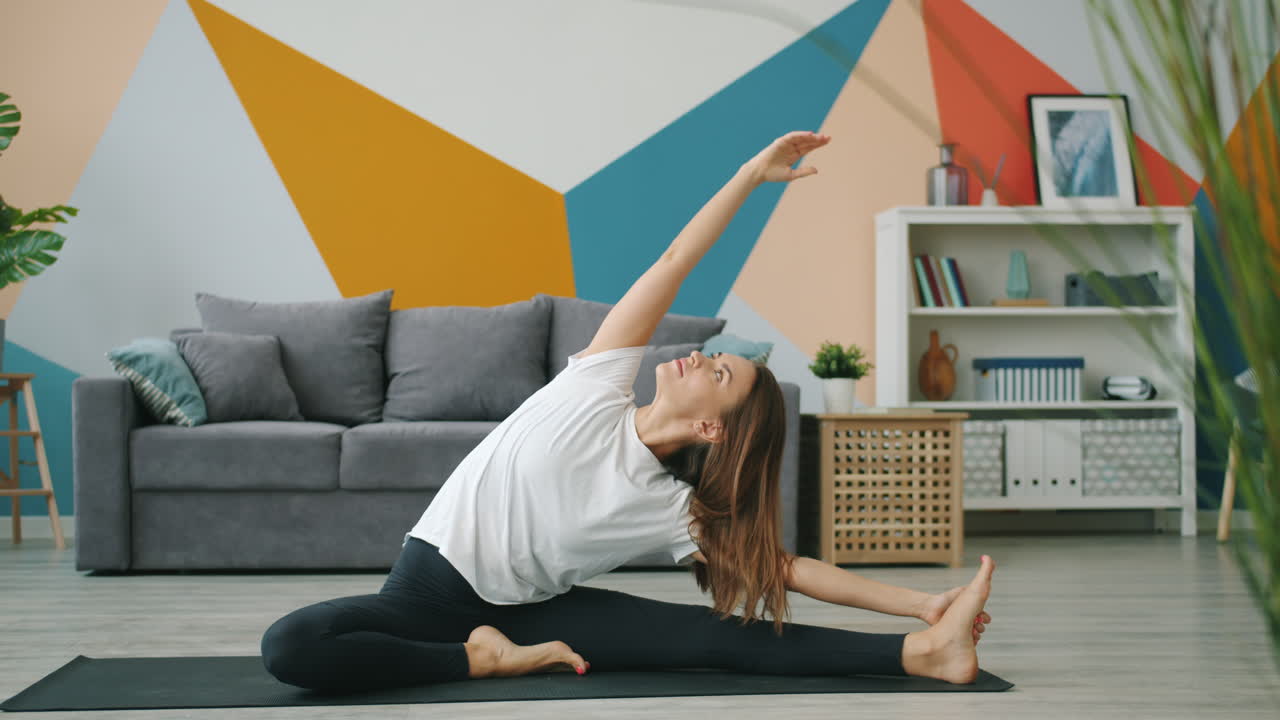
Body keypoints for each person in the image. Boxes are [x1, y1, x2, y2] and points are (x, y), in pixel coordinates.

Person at [260, 131, 995, 694]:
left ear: (714, 428)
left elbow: (787, 570)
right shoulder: (599, 387)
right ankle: (478, 660)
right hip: (424, 594)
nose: (696, 357)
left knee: (717, 639)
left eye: (717, 371)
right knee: (290, 646)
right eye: (712, 355)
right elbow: (676, 260)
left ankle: (926, 653)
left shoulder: (680, 511)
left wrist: (923, 604)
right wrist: (749, 176)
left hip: (534, 611)